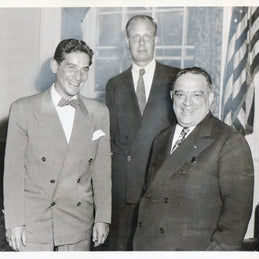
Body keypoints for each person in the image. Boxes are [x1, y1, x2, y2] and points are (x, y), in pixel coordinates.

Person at [3, 39, 111, 251]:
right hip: (35, 221)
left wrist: (103, 217)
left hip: (78, 222)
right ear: (55, 66)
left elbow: (102, 170)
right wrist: (15, 222)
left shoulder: (99, 112)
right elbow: (13, 173)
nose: (78, 77)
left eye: (84, 70)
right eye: (71, 67)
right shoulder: (23, 109)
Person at [133, 67, 254, 251]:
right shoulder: (161, 138)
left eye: (196, 95)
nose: (187, 103)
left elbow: (235, 221)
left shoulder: (230, 141)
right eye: (180, 94)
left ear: (210, 98)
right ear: (172, 96)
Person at [105, 15, 179, 250]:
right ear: (126, 41)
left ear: (156, 39)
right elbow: (113, 141)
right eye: (135, 37)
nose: (141, 43)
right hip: (125, 189)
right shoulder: (114, 84)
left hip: (163, 186)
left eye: (147, 36)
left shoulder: (175, 78)